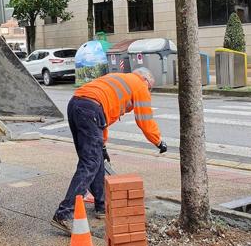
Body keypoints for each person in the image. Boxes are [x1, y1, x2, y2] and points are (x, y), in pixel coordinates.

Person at [51, 67, 167, 233]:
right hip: (90, 110)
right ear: (146, 80)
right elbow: (144, 119)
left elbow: (101, 115)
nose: (149, 91)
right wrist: (158, 141)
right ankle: (64, 213)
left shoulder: (118, 79)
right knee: (90, 163)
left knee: (95, 159)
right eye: (151, 88)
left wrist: (102, 146)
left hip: (76, 104)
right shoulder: (140, 85)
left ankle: (101, 206)